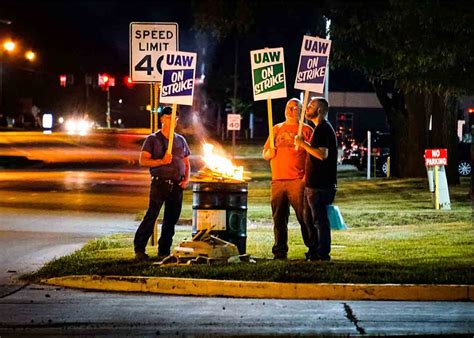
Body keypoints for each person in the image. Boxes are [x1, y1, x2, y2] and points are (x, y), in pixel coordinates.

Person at [133, 106, 191, 261]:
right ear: (162, 119)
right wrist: (161, 161)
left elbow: (186, 161)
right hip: (160, 184)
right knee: (152, 215)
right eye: (168, 117)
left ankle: (164, 250)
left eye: (175, 118)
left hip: (177, 185)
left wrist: (186, 178)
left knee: (171, 220)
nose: (172, 121)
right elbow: (143, 160)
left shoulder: (180, 140)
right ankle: (139, 248)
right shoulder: (153, 139)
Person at [262, 98, 313, 260]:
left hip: (297, 181)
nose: (291, 110)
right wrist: (268, 153)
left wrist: (305, 177)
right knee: (278, 218)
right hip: (277, 181)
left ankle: (313, 249)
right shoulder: (276, 129)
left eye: (295, 108)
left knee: (304, 217)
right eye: (288, 107)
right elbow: (265, 154)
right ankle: (279, 251)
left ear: (300, 111)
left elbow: (312, 156)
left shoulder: (306, 130)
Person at [294, 97, 338, 261]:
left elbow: (322, 154)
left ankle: (322, 253)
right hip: (312, 185)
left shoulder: (323, 129)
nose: (307, 108)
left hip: (321, 186)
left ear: (319, 110)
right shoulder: (318, 128)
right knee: (308, 219)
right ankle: (314, 250)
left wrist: (303, 143)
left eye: (311, 105)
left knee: (319, 220)